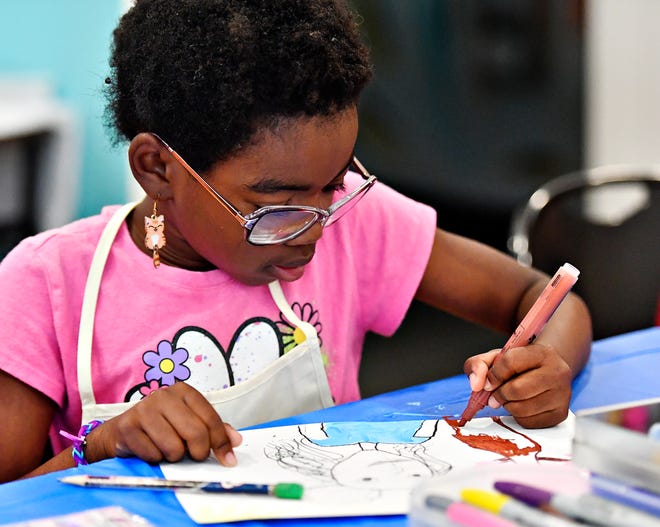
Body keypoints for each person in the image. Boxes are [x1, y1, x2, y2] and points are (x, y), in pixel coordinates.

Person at [0, 0, 591, 483]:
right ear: (157, 168)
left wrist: (550, 366)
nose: (313, 229)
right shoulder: (49, 284)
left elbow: (546, 299)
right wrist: (101, 445)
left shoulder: (351, 224)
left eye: (333, 186)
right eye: (275, 206)